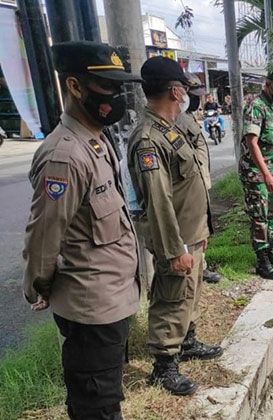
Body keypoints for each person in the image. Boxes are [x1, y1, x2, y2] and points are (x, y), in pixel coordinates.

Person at [23, 41, 141, 420]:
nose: (117, 96)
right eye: (108, 87)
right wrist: (38, 285)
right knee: (97, 409)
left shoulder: (97, 140)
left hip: (110, 301)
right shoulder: (66, 156)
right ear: (75, 87)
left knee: (104, 399)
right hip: (91, 310)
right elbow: (44, 233)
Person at [128, 56, 222, 396]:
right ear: (174, 90)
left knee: (190, 293)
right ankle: (163, 366)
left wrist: (201, 232)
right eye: (182, 87)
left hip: (191, 232)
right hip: (176, 238)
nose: (185, 92)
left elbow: (191, 183)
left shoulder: (173, 127)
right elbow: (158, 200)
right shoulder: (149, 138)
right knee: (171, 298)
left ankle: (187, 341)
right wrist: (175, 249)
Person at [240, 69, 273, 280]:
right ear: (268, 84)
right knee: (259, 216)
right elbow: (251, 143)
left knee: (272, 213)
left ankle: (271, 253)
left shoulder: (271, 107)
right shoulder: (256, 107)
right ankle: (262, 261)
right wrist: (266, 175)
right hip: (255, 173)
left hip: (270, 170)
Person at [177, 72, 222, 284]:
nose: (196, 99)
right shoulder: (177, 121)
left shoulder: (189, 117)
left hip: (200, 181)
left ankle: (201, 265)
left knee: (201, 226)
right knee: (192, 228)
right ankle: (198, 267)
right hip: (190, 185)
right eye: (193, 94)